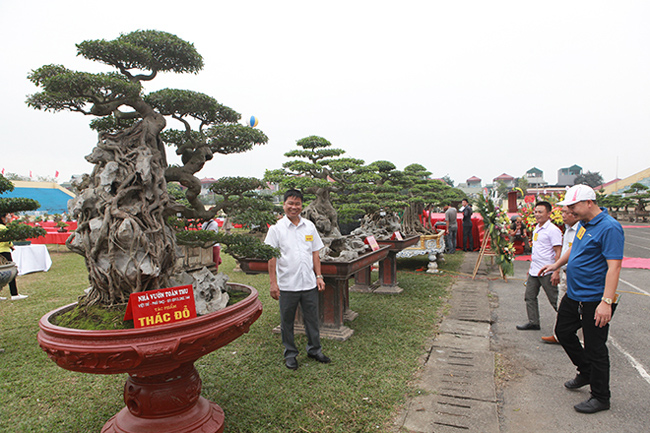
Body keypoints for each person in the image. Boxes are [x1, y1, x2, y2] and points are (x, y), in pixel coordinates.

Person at [539, 185, 624, 414]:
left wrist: (606, 302)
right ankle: (585, 370)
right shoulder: (583, 225)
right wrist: (556, 265)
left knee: (596, 347)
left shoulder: (610, 228)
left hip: (595, 298)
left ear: (589, 203)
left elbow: (614, 266)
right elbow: (574, 248)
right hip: (574, 294)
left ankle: (600, 397)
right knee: (564, 332)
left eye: (573, 206)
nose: (570, 210)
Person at [264, 189, 331, 370]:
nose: (294, 207)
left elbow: (315, 252)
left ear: (302, 205)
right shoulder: (276, 230)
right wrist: (273, 283)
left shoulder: (309, 226)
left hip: (308, 282)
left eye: (297, 204)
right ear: (284, 204)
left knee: (312, 319)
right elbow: (271, 258)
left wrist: (319, 276)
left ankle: (314, 349)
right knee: (287, 321)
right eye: (290, 203)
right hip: (287, 285)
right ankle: (291, 354)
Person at [516, 201, 562, 331]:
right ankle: (533, 322)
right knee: (529, 296)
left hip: (548, 270)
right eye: (535, 212)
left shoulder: (553, 230)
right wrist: (530, 268)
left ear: (549, 213)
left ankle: (568, 325)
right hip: (535, 270)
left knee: (555, 300)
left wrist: (556, 271)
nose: (537, 215)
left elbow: (558, 251)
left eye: (540, 212)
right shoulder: (537, 228)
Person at [541, 206, 580, 344]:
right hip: (565, 273)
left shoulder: (582, 230)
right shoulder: (567, 229)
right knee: (561, 305)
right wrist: (557, 269)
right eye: (562, 212)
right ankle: (559, 335)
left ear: (574, 214)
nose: (562, 215)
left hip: (576, 275)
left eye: (565, 212)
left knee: (579, 308)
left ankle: (581, 339)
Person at [0, 213, 28, 301]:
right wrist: (11, 245)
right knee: (10, 273)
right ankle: (14, 293)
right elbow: (7, 241)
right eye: (7, 216)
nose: (8, 218)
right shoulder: (3, 228)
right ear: (2, 218)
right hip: (4, 252)